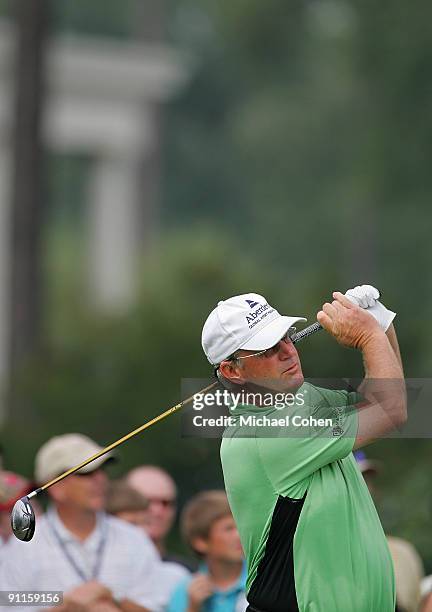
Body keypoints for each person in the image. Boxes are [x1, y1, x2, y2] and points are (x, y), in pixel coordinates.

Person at [201, 286, 406, 612]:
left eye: (288, 337)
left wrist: (380, 326)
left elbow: (378, 400)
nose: (287, 352)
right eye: (267, 348)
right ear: (231, 371)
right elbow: (391, 411)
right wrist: (369, 336)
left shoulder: (300, 401)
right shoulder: (269, 434)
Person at [1, 434, 167, 612]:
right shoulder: (23, 549)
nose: (100, 479)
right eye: (86, 473)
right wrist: (64, 605)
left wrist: (114, 600)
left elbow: (157, 607)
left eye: (102, 470)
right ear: (56, 487)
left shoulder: (134, 540)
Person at [354, 451, 424, 612]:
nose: (365, 488)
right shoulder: (323, 551)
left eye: (367, 481)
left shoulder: (403, 552)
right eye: (356, 480)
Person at [167, 490, 247, 612]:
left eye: (239, 526)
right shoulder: (185, 592)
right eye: (228, 529)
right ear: (200, 542)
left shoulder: (262, 580)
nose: (239, 535)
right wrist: (193, 608)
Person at [126, 465, 193, 570]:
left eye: (166, 503)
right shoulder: (100, 565)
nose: (157, 512)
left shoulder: (188, 573)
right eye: (147, 501)